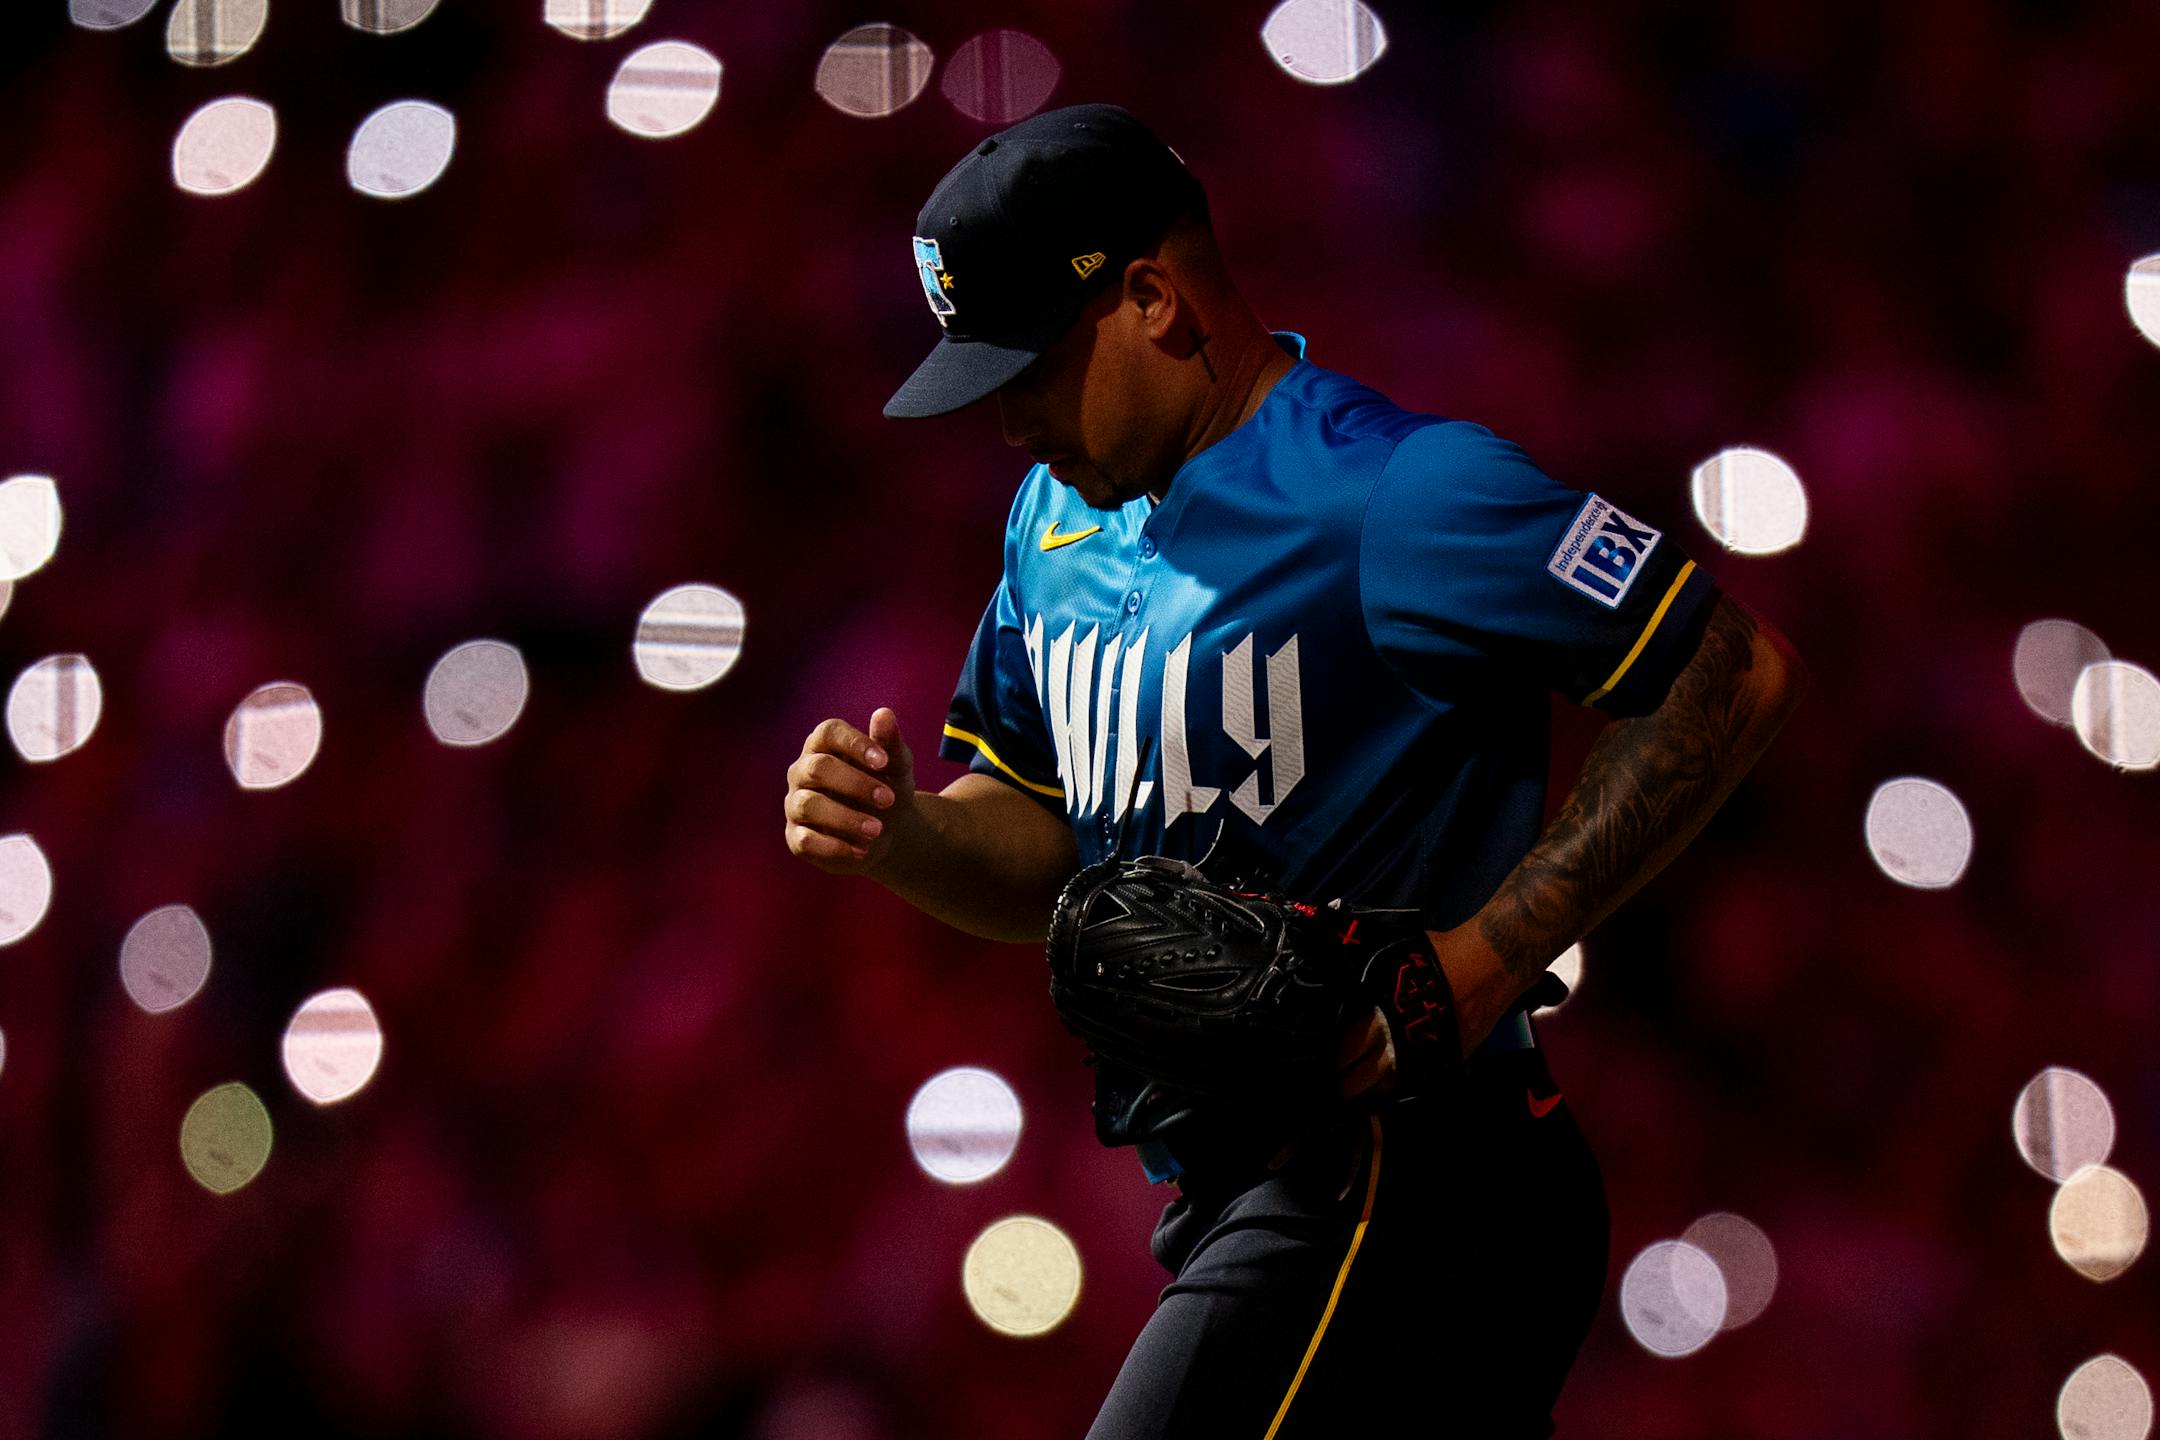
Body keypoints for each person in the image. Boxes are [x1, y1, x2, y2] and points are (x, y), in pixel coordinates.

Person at [784, 103, 1804, 1437]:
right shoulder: (1052, 526)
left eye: (1025, 366)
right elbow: (1040, 838)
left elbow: (1728, 669)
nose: (1006, 420)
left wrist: (1490, 952)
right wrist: (905, 831)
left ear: (1150, 298)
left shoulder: (1397, 494)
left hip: (1417, 1178)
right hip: (1243, 1195)